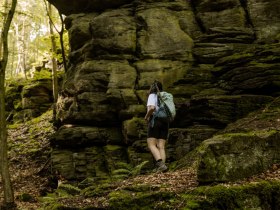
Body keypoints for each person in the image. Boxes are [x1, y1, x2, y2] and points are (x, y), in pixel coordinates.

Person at [144, 80, 168, 173]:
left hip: (155, 120)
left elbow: (152, 108)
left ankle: (160, 165)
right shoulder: (165, 95)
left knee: (151, 144)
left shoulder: (152, 95)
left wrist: (146, 116)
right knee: (161, 146)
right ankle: (162, 168)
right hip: (165, 121)